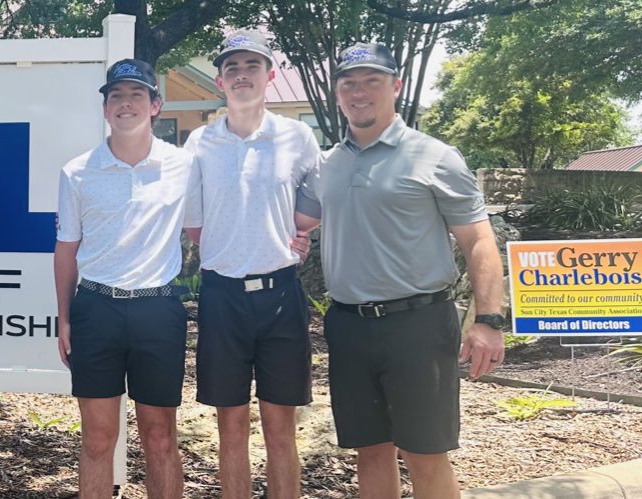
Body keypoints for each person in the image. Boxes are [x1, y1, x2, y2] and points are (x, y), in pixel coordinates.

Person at [318, 42, 506, 499]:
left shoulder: (436, 156)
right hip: (348, 325)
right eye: (349, 83)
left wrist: (488, 320)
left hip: (418, 326)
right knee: (370, 451)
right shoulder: (327, 163)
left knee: (425, 453)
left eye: (372, 81)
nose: (359, 92)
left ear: (395, 87)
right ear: (337, 94)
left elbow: (479, 240)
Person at [181, 31, 321, 499]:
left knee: (281, 431)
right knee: (231, 428)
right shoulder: (200, 143)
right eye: (233, 68)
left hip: (281, 295)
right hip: (222, 297)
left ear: (269, 75)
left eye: (252, 66)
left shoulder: (298, 137)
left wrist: (298, 233)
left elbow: (315, 203)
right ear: (220, 81)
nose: (242, 75)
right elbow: (195, 225)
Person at [54, 58, 195, 499]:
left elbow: (206, 232)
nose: (125, 103)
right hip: (97, 310)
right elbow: (66, 250)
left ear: (155, 105)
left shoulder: (185, 166)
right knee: (97, 440)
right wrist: (64, 318)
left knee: (160, 438)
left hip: (158, 311)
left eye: (137, 95)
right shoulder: (77, 171)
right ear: (105, 109)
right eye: (116, 95)